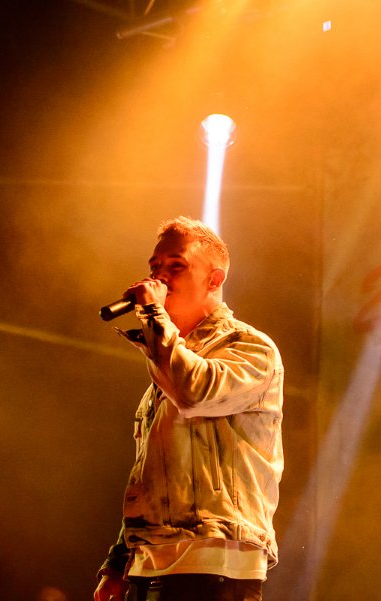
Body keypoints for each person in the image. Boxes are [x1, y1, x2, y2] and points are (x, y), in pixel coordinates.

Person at [93, 216, 285, 601]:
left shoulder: (250, 348)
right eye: (155, 266)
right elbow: (152, 475)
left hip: (216, 560)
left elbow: (194, 392)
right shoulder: (165, 368)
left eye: (176, 265)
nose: (159, 277)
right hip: (150, 562)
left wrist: (153, 315)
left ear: (215, 279)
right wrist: (119, 561)